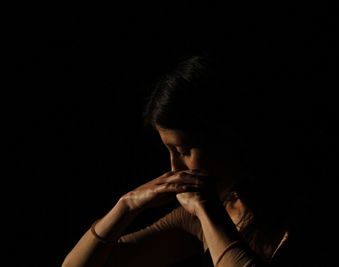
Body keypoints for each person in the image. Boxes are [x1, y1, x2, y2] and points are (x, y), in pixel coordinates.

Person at [61, 54, 304, 267]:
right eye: (170, 151)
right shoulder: (200, 217)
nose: (175, 168)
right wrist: (125, 206)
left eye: (184, 150)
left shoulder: (294, 214)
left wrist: (208, 213)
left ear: (226, 138)